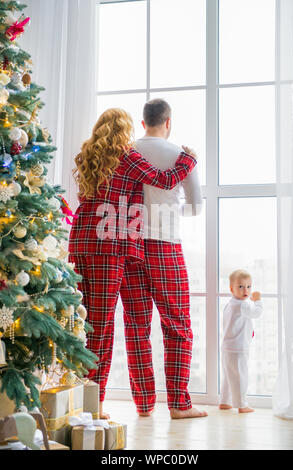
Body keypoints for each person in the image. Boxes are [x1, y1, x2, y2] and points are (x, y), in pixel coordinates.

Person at [68, 108, 197, 419]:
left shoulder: (88, 155)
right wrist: (188, 161)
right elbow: (163, 180)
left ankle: (100, 403)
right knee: (111, 327)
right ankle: (97, 406)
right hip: (114, 246)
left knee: (91, 323)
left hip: (82, 243)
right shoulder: (126, 156)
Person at [119, 99, 207, 419]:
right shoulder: (180, 157)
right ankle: (179, 404)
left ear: (143, 123)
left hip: (130, 245)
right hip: (165, 246)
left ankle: (143, 404)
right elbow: (196, 206)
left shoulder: (126, 151)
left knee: (136, 325)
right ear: (168, 122)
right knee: (177, 326)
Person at [219, 269, 263, 413]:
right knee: (240, 376)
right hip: (238, 348)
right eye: (241, 286)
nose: (246, 290)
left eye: (249, 286)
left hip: (227, 347)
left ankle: (225, 401)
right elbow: (256, 313)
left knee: (228, 376)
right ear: (231, 288)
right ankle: (242, 404)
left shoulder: (230, 304)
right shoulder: (243, 305)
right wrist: (257, 301)